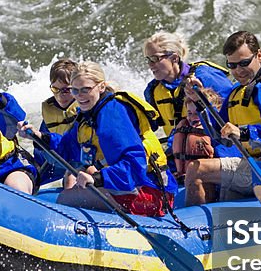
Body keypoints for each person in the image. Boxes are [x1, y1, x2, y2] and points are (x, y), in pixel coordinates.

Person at [24, 62, 176, 217]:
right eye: (75, 90)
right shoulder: (87, 114)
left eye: (86, 89)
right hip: (130, 186)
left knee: (66, 198)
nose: (79, 95)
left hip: (151, 193)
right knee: (76, 186)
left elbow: (135, 163)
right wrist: (41, 137)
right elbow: (68, 148)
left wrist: (97, 178)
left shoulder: (112, 114)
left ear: (101, 87)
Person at [185, 31, 261, 206]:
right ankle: (208, 228)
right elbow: (219, 136)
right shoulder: (236, 93)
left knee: (196, 169)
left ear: (259, 55)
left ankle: (194, 230)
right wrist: (199, 101)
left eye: (244, 63)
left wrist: (244, 132)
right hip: (253, 165)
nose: (238, 71)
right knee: (214, 185)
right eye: (232, 65)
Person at [142, 31, 233, 138]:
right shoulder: (152, 90)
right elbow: (149, 127)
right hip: (180, 149)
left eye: (155, 58)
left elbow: (233, 112)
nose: (150, 64)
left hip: (218, 145)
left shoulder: (206, 77)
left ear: (174, 58)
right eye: (148, 59)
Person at [172, 87, 240, 203]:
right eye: (189, 113)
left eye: (197, 114)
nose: (193, 117)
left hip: (216, 182)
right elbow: (175, 151)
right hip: (189, 179)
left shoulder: (218, 133)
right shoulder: (185, 129)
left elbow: (227, 160)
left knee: (198, 170)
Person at [33, 58, 79, 185]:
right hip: (58, 161)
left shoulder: (85, 108)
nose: (60, 95)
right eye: (55, 89)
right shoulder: (51, 112)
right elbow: (42, 154)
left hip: (81, 161)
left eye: (66, 90)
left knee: (70, 178)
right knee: (31, 178)